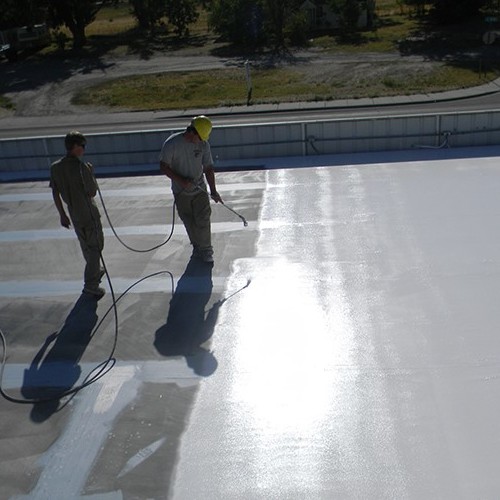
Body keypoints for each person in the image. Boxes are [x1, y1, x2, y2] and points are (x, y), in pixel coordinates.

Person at [159, 115, 223, 263]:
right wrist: (181, 181)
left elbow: (208, 167)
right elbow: (164, 166)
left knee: (203, 219)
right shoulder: (172, 144)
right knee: (189, 221)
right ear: (192, 132)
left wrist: (213, 191)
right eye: (199, 138)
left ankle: (206, 249)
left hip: (199, 189)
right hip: (181, 192)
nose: (201, 141)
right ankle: (197, 246)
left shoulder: (203, 145)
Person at [50, 131, 105, 299]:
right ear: (74, 147)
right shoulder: (82, 168)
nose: (84, 149)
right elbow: (92, 192)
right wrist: (91, 173)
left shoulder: (55, 167)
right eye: (82, 146)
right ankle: (91, 285)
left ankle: (94, 270)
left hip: (74, 214)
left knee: (86, 246)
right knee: (96, 247)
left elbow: (55, 193)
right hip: (88, 213)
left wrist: (62, 215)